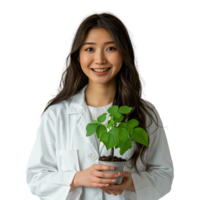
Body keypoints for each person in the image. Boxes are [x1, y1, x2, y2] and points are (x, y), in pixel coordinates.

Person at [24, 9, 175, 200]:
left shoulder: (145, 112)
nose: (100, 60)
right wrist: (77, 178)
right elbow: (35, 179)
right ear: (77, 55)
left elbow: (165, 176)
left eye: (110, 48)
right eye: (89, 49)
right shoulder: (56, 115)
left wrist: (133, 183)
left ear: (124, 53)